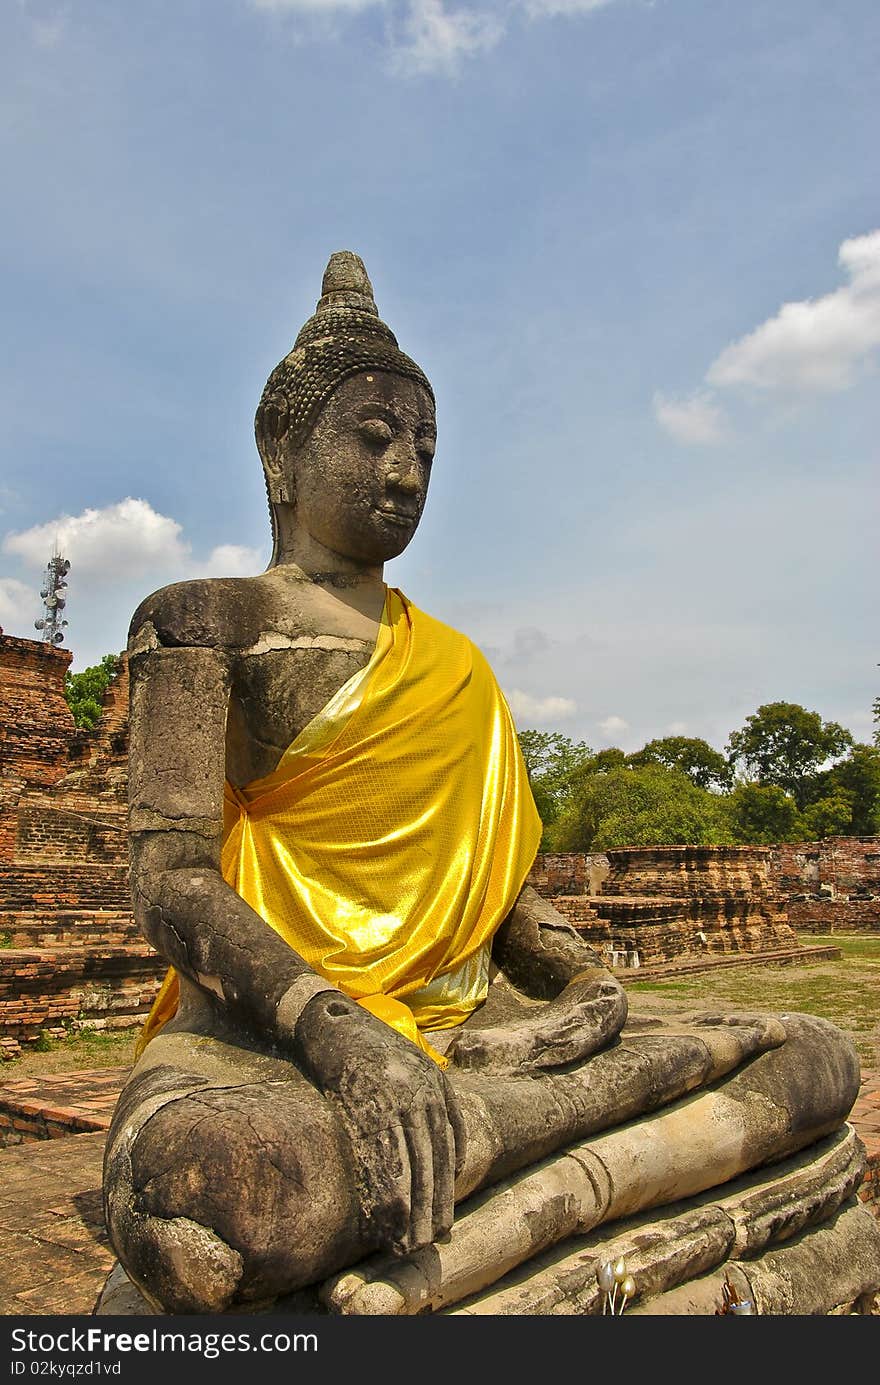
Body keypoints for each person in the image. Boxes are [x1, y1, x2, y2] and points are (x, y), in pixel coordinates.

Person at [101, 252, 869, 1316]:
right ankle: (525, 1170)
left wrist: (583, 980)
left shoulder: (455, 661)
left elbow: (487, 889)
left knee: (813, 1056)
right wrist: (340, 1031)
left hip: (465, 1044)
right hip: (267, 1041)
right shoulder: (203, 620)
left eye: (423, 446)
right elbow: (173, 879)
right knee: (207, 1190)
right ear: (282, 448)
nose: (406, 471)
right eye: (372, 438)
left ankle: (485, 1173)